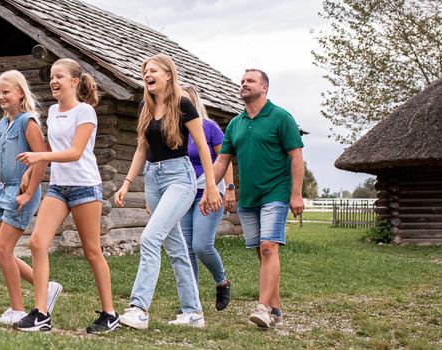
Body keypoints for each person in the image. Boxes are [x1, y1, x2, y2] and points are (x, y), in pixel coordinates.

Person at [113, 54, 222, 330]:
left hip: (180, 178)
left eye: (153, 71)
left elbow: (204, 148)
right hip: (153, 177)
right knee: (176, 249)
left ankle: (139, 308)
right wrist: (126, 183)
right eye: (145, 71)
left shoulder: (183, 104)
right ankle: (193, 312)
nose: (147, 75)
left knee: (150, 237)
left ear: (168, 75)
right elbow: (142, 148)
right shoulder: (146, 106)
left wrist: (211, 187)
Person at [14, 59, 118, 334]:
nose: (53, 81)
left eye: (59, 76)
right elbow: (51, 147)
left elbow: (74, 152)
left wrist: (39, 157)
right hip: (59, 187)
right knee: (37, 242)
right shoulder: (52, 111)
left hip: (85, 186)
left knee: (92, 251)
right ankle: (41, 313)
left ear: (74, 81)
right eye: (51, 76)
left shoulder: (85, 112)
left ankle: (110, 314)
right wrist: (31, 171)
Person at [212, 69, 304, 329]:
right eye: (242, 81)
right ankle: (276, 309)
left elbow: (296, 157)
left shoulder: (281, 118)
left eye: (250, 81)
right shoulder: (235, 124)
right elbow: (222, 161)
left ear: (264, 87)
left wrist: (296, 194)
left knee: (268, 247)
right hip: (249, 198)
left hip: (276, 192)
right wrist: (207, 188)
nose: (244, 84)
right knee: (261, 253)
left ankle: (262, 308)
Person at [0, 70, 60, 326]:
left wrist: (29, 193)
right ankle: (47, 287)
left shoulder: (27, 122)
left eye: (6, 92)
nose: (1, 97)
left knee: (3, 250)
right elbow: (2, 158)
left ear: (20, 93)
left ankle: (17, 309)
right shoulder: (2, 124)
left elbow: (41, 159)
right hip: (0, 191)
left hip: (19, 193)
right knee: (0, 253)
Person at [180, 85, 234, 311]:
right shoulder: (175, 131)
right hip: (183, 193)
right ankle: (191, 301)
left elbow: (225, 159)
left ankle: (222, 282)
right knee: (186, 250)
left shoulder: (209, 127)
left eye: (183, 99)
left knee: (201, 245)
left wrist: (230, 188)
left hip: (209, 191)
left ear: (193, 102)